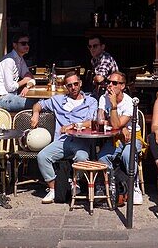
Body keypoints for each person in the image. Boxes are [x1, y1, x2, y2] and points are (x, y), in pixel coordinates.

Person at [30, 71, 98, 204]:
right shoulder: (58, 100)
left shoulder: (90, 101)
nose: (73, 87)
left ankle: (75, 183)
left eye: (75, 84)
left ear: (80, 84)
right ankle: (54, 189)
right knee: (42, 156)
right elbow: (39, 104)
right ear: (66, 87)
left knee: (82, 158)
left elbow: (92, 121)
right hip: (62, 141)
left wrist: (72, 126)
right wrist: (35, 113)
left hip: (81, 141)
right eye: (70, 85)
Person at [96, 72, 144, 205]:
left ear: (122, 86)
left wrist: (113, 107)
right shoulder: (103, 98)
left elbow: (115, 123)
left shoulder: (130, 102)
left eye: (114, 83)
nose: (110, 85)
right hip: (115, 137)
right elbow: (100, 120)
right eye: (109, 82)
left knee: (128, 155)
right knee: (102, 158)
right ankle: (112, 185)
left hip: (132, 137)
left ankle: (134, 185)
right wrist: (118, 126)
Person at [0, 34, 35, 111]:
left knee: (41, 102)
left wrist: (27, 86)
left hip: (12, 96)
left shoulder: (20, 59)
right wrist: (25, 81)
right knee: (38, 104)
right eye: (23, 43)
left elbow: (30, 76)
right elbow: (10, 87)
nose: (27, 46)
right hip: (2, 98)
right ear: (15, 45)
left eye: (28, 43)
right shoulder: (9, 61)